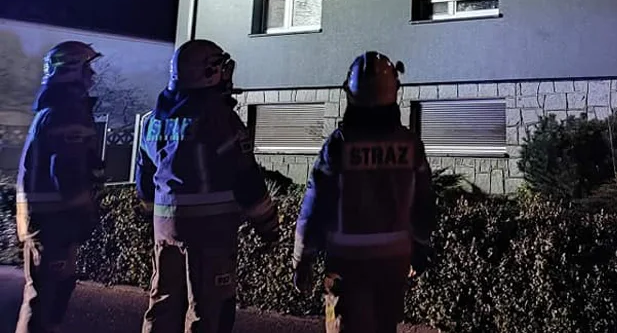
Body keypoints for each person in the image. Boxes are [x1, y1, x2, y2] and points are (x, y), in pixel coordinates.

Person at [136, 39, 279, 333]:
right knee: (209, 312)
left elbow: (145, 181)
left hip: (165, 232)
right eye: (221, 68)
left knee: (163, 306)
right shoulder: (220, 121)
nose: (226, 74)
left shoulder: (154, 121)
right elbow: (246, 179)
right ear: (207, 72)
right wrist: (268, 226)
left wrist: (153, 216)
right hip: (209, 234)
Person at [292, 51, 436, 333]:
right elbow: (424, 202)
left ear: (351, 93)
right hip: (393, 263)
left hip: (344, 262)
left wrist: (302, 258)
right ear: (394, 91)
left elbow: (315, 205)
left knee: (341, 327)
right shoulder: (410, 145)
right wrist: (421, 248)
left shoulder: (338, 145)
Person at [15, 41, 106, 333]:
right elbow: (67, 173)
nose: (92, 75)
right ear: (72, 70)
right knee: (49, 300)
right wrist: (84, 215)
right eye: (87, 67)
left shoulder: (52, 110)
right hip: (55, 221)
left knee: (44, 296)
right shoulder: (68, 112)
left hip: (45, 219)